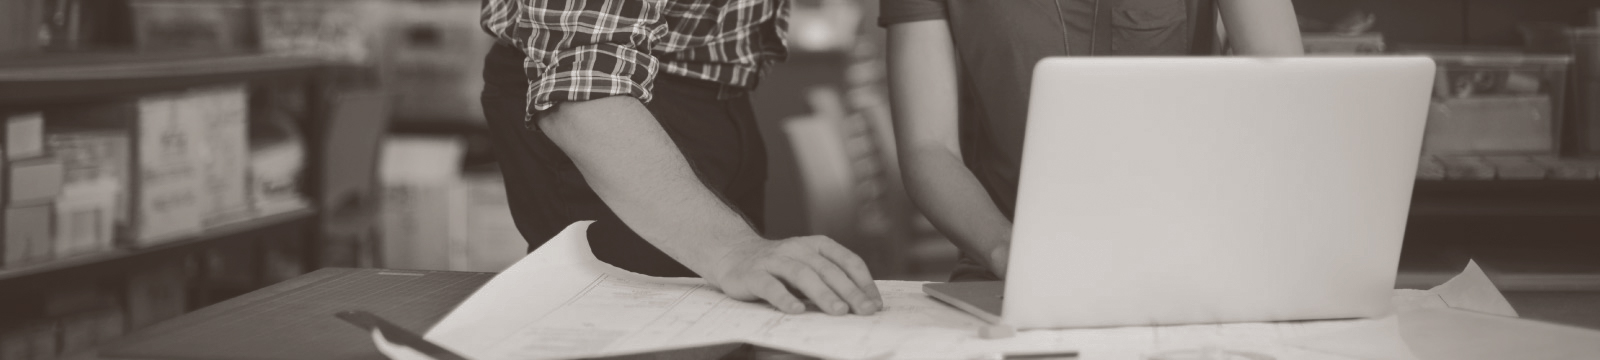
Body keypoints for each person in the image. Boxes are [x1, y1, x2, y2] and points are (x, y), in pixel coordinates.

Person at [479, 0, 881, 316]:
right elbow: (581, 88)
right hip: (618, 110)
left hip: (721, 97)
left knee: (726, 325)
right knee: (630, 332)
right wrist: (730, 248)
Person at [881, 0, 1306, 282]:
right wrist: (1008, 250)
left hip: (1198, 262)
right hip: (1011, 273)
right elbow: (928, 148)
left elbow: (1288, 103)